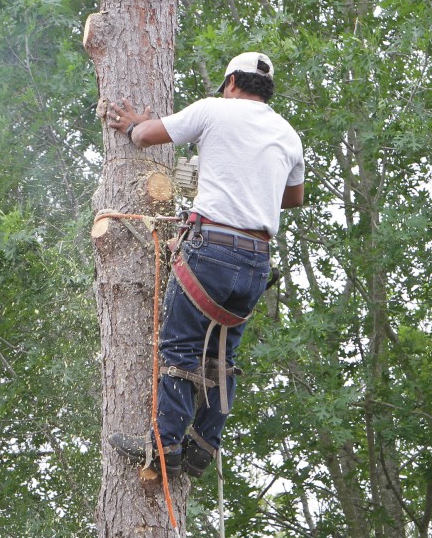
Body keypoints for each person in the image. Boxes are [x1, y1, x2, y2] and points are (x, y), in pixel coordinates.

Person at [105, 52, 305, 478]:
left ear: (232, 81)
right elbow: (293, 198)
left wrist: (133, 123)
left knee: (179, 348)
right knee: (222, 358)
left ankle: (164, 446)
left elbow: (143, 137)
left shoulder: (215, 110)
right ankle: (202, 447)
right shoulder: (288, 134)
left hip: (211, 249)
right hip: (256, 259)